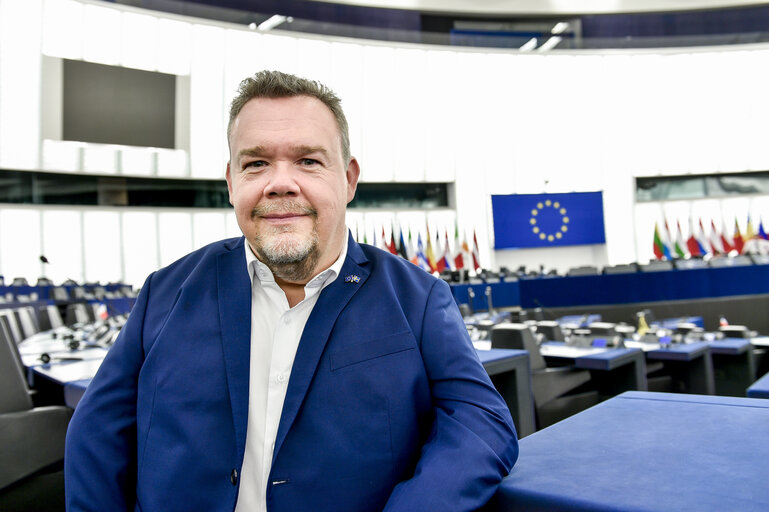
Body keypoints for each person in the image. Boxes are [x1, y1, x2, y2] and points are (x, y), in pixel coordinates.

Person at [65, 70, 518, 511]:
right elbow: (97, 433)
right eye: (256, 163)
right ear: (231, 182)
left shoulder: (418, 299)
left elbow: (481, 423)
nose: (279, 182)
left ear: (348, 179)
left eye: (308, 160)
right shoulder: (163, 293)